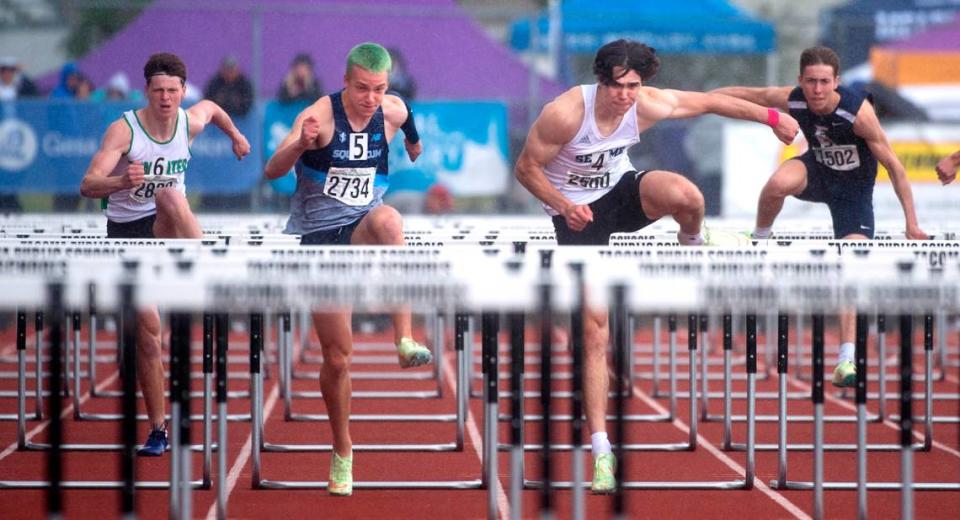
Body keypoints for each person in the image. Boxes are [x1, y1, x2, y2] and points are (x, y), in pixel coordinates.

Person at [514, 38, 799, 493]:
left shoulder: (645, 103)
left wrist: (771, 117)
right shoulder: (566, 113)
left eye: (633, 86)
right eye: (618, 86)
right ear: (601, 80)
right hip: (577, 218)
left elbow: (708, 101)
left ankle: (692, 246)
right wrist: (563, 205)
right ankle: (602, 449)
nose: (626, 95)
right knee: (594, 332)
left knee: (687, 196)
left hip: (621, 193)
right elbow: (526, 168)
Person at [264, 42, 428, 497]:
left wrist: (414, 145)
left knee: (391, 220)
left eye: (378, 89)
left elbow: (409, 124)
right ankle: (342, 449)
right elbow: (271, 170)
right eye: (361, 89)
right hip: (319, 238)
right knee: (338, 356)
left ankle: (404, 338)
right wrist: (300, 143)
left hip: (362, 223)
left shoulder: (391, 109)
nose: (370, 99)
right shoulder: (319, 115)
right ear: (345, 82)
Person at [711, 45, 928, 389]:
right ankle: (759, 242)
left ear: (836, 82)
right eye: (810, 81)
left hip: (853, 194)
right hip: (817, 173)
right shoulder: (792, 98)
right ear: (800, 80)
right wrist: (698, 100)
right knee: (775, 185)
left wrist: (911, 224)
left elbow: (896, 169)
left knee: (851, 269)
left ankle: (845, 358)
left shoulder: (858, 112)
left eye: (824, 82)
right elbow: (747, 95)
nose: (817, 89)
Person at [79, 52, 250, 456]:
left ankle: (207, 284)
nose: (166, 98)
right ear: (147, 91)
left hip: (167, 223)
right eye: (158, 90)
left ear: (182, 92)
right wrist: (121, 181)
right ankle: (158, 428)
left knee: (171, 195)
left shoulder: (190, 120)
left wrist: (236, 137)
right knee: (149, 335)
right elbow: (87, 184)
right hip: (127, 233)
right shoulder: (124, 131)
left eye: (173, 91)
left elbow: (214, 110)